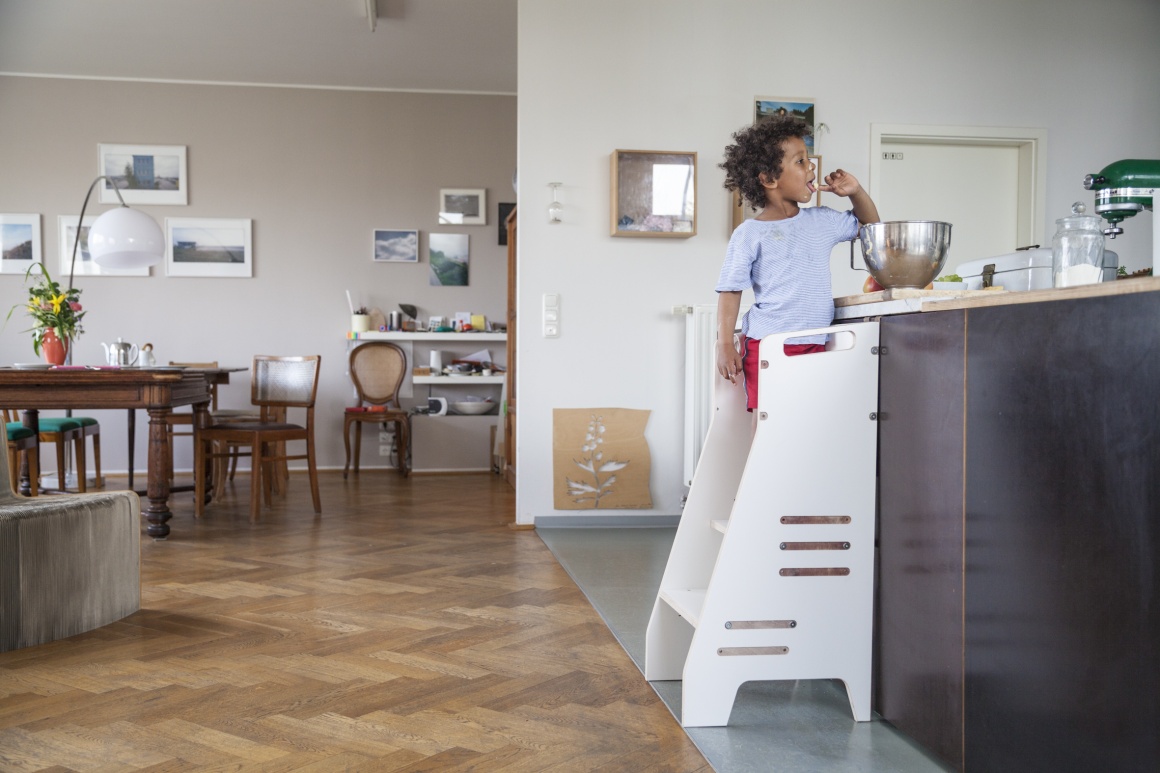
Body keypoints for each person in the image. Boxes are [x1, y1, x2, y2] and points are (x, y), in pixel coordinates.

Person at [715, 116, 880, 411]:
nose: (812, 167)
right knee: (768, 423)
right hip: (769, 346)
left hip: (815, 342)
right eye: (801, 162)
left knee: (804, 422)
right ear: (768, 179)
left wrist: (856, 192)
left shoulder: (822, 221)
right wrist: (724, 343)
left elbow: (871, 227)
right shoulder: (749, 234)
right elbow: (730, 290)